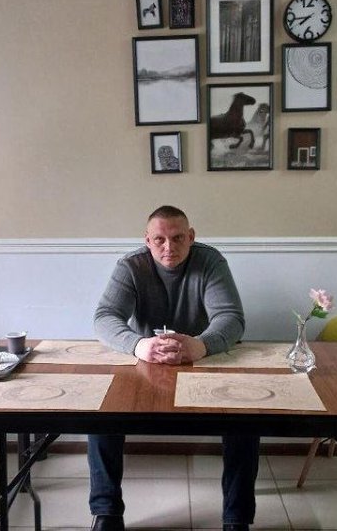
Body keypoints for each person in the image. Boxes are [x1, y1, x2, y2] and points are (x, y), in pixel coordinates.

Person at [89, 205, 260, 531]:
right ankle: (106, 512)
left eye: (178, 238)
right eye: (160, 239)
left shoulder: (210, 261)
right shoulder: (130, 265)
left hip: (204, 362)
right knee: (101, 416)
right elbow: (105, 317)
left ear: (191, 236)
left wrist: (200, 345)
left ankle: (237, 519)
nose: (169, 247)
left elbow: (231, 318)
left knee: (245, 419)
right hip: (146, 365)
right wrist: (139, 345)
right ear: (147, 240)